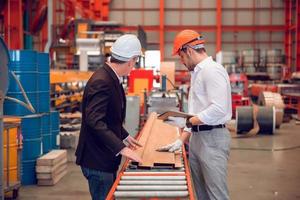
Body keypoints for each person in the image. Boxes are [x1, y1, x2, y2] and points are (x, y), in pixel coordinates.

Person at [157, 30, 232, 200]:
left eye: (181, 57)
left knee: (216, 195)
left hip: (213, 138)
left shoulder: (212, 71)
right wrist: (181, 140)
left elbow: (219, 109)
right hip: (198, 138)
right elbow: (196, 113)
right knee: (200, 193)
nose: (181, 61)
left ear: (189, 51)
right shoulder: (197, 73)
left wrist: (189, 120)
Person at [75, 34, 143, 200]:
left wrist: (125, 136)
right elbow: (95, 121)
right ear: (131, 60)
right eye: (135, 62)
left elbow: (109, 117)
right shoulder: (102, 81)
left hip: (103, 157)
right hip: (97, 160)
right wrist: (122, 148)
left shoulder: (111, 77)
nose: (133, 66)